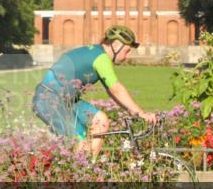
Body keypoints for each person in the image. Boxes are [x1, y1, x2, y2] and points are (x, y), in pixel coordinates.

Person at [31, 25, 156, 159]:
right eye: (127, 51)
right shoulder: (101, 58)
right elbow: (116, 88)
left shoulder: (97, 53)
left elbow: (111, 91)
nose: (127, 56)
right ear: (115, 45)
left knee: (100, 121)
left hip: (66, 100)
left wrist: (132, 111)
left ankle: (88, 168)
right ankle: (78, 174)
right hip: (49, 100)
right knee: (80, 141)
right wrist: (141, 113)